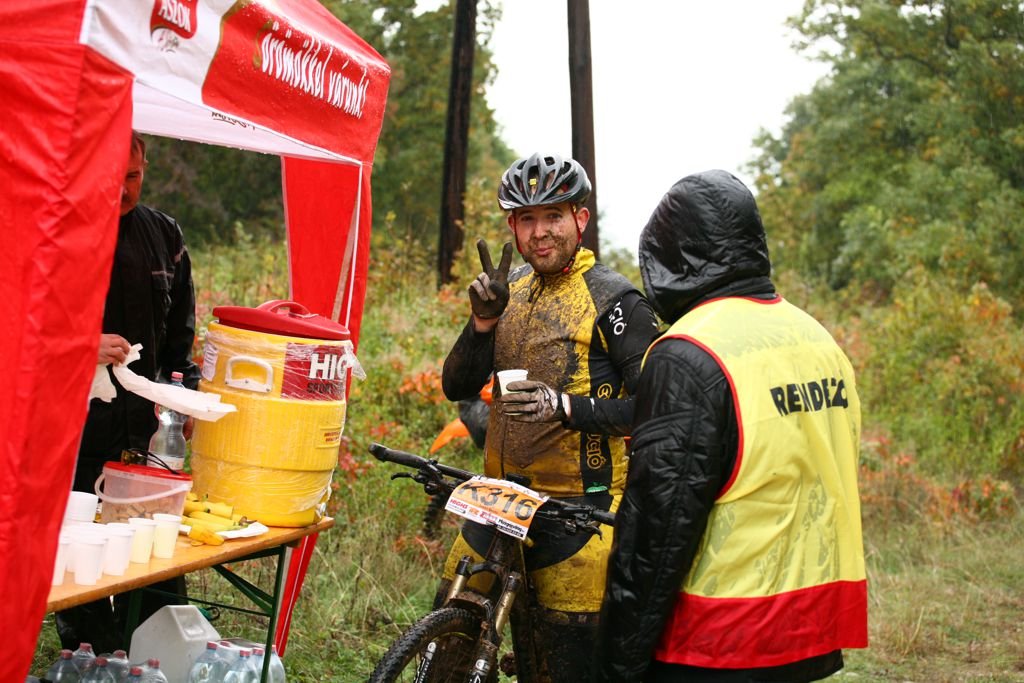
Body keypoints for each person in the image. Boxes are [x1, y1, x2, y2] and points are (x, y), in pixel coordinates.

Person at [594, 169, 867, 682]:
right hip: (814, 623)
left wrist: (616, 665)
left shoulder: (688, 353)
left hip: (718, 640)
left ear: (668, 259)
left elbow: (656, 530)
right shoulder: (818, 339)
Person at [440, 153, 661, 680]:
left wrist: (563, 406)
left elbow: (655, 407)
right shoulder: (509, 286)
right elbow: (455, 386)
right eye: (526, 219)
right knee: (445, 651)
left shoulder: (615, 301)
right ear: (513, 226)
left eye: (553, 217)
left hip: (580, 510)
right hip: (497, 498)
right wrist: (482, 322)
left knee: (559, 669)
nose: (539, 233)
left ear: (580, 220)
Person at [56, 132, 200, 653]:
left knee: (154, 561)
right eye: (111, 178)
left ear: (146, 170)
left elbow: (181, 335)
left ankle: (153, 656)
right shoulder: (57, 229)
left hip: (145, 437)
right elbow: (24, 326)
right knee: (82, 570)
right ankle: (91, 656)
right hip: (70, 435)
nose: (121, 190)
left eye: (133, 178)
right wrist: (81, 345)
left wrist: (186, 399)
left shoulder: (165, 234)